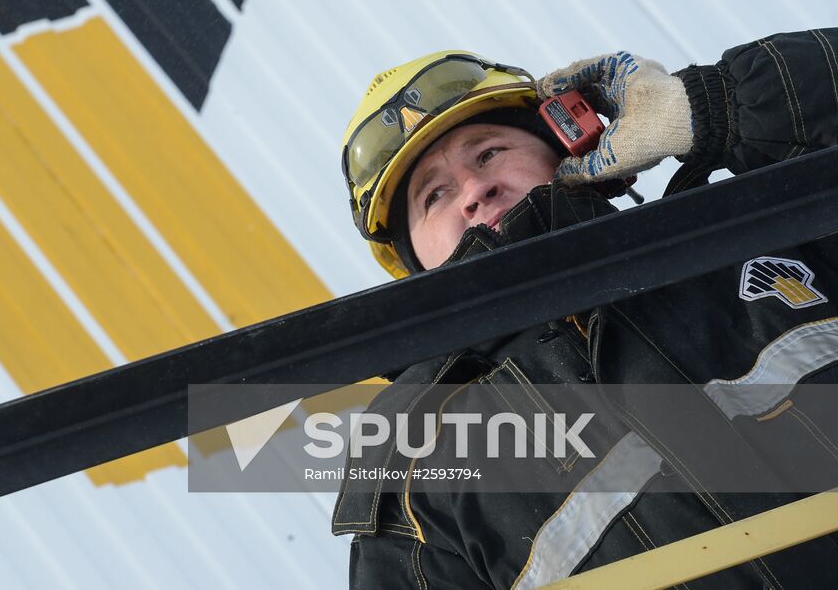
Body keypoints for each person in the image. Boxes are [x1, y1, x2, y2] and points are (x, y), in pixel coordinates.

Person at [332, 30, 838, 588]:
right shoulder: (414, 468)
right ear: (415, 263)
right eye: (435, 195)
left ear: (568, 145)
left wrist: (713, 107)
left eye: (489, 152)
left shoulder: (750, 233)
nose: (475, 188)